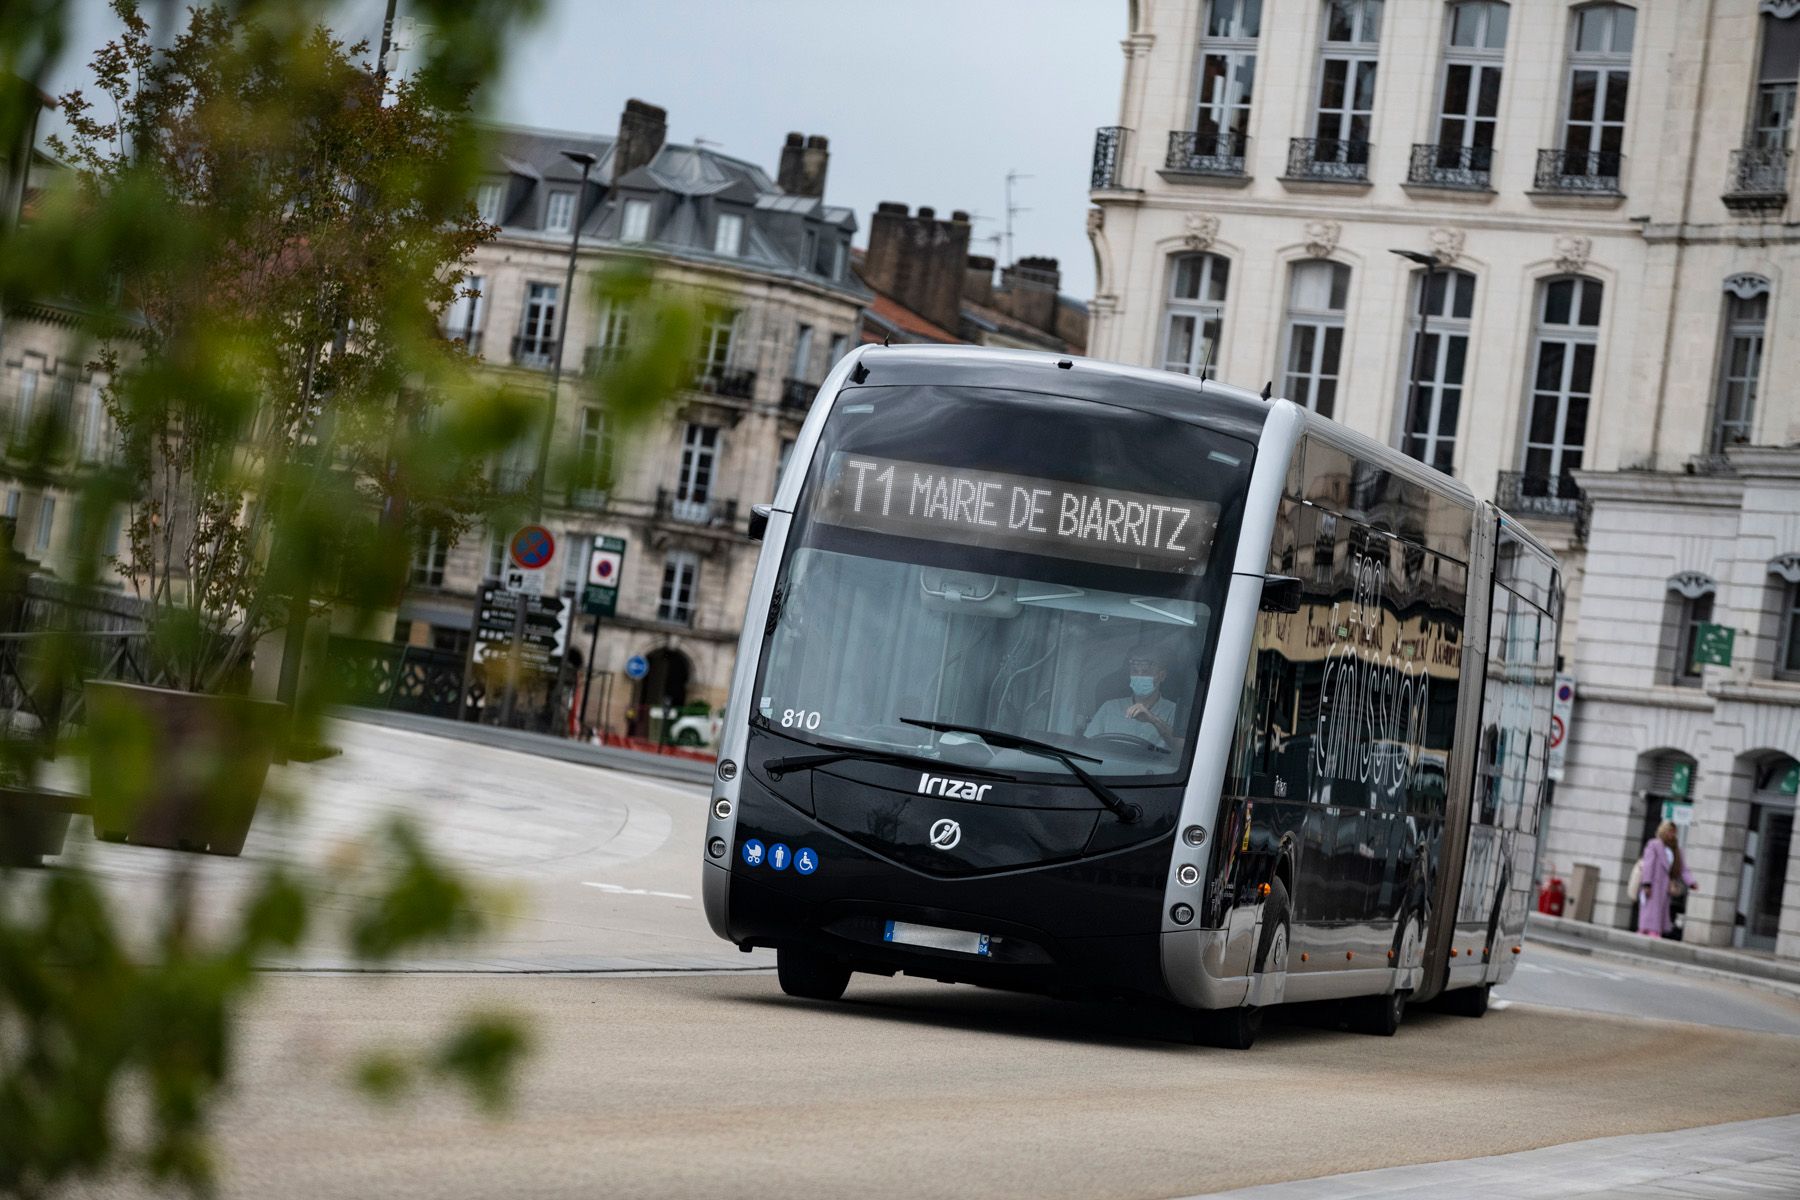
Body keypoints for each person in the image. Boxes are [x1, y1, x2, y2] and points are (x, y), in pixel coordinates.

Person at [1084, 646, 1183, 752]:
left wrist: (1153, 720)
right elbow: (1088, 745)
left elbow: (1181, 748)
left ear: (1161, 676)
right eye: (1135, 671)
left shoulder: (1174, 712)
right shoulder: (1109, 707)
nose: (1139, 676)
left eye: (1145, 672)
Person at [1636, 819, 1698, 938]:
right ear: (1663, 831)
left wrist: (1691, 882)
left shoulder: (1676, 850)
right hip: (1653, 883)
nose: (1672, 834)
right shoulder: (1654, 845)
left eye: (1674, 832)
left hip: (1665, 886)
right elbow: (1648, 864)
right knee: (1650, 908)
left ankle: (1654, 930)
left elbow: (1683, 869)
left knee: (1660, 909)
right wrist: (1647, 883)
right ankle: (1647, 929)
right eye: (1669, 831)